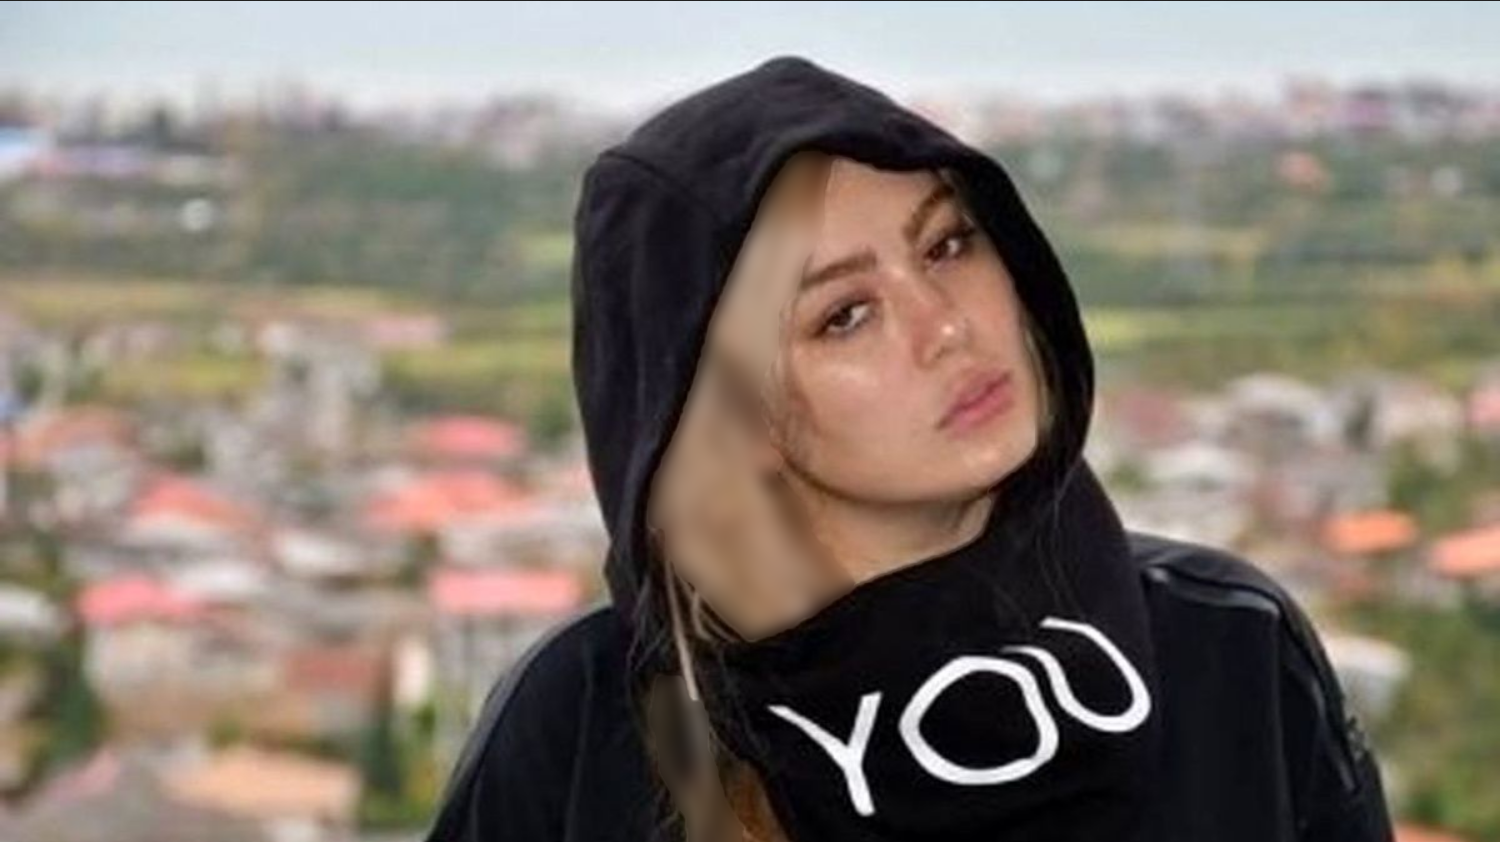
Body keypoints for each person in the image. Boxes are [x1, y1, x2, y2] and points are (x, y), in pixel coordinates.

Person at [422, 55, 1396, 842]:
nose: (946, 326)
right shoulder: (586, 729)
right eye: (846, 314)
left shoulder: (1226, 648)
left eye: (948, 245)